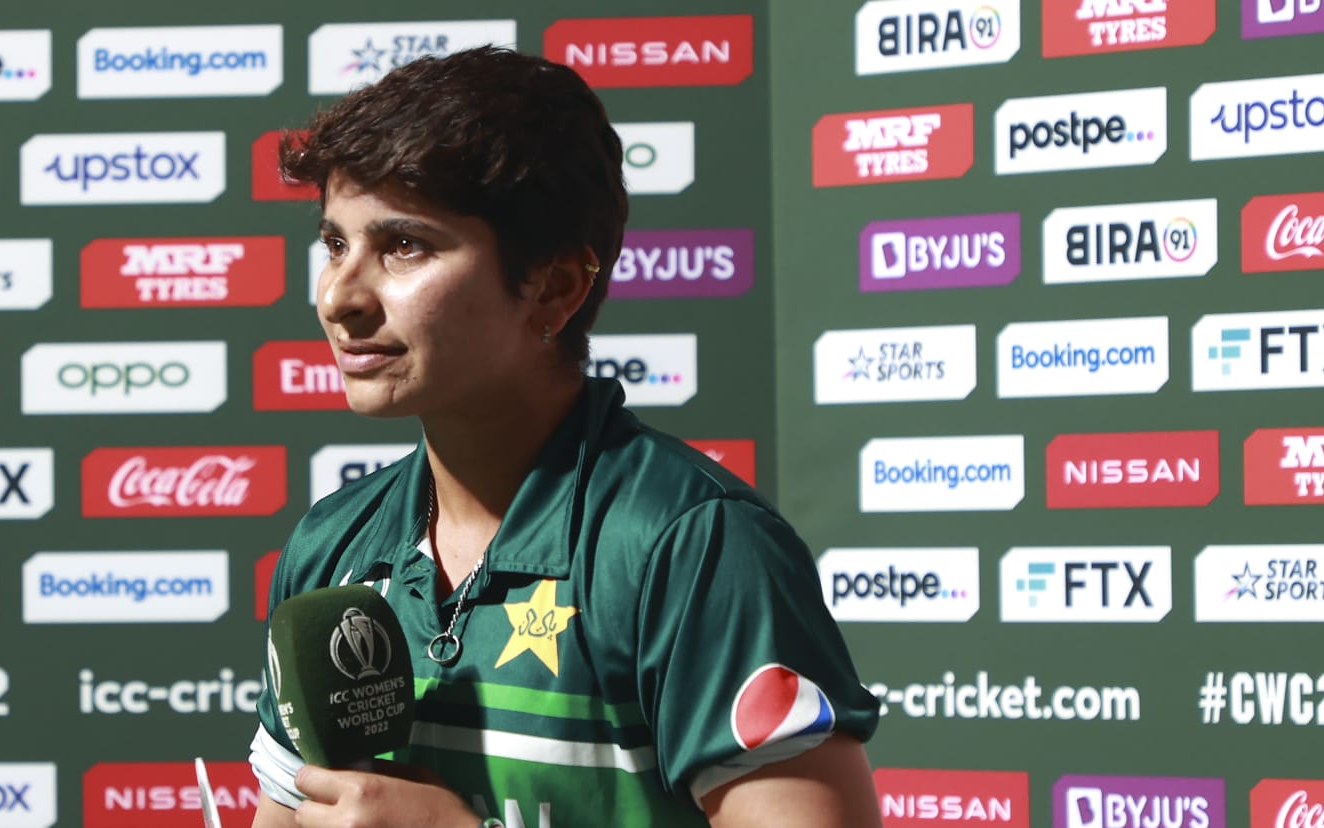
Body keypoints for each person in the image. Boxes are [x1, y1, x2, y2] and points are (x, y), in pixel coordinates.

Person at [248, 46, 882, 828]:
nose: (340, 298)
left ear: (553, 286)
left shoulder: (693, 547)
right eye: (335, 244)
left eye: (404, 245)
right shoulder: (330, 548)